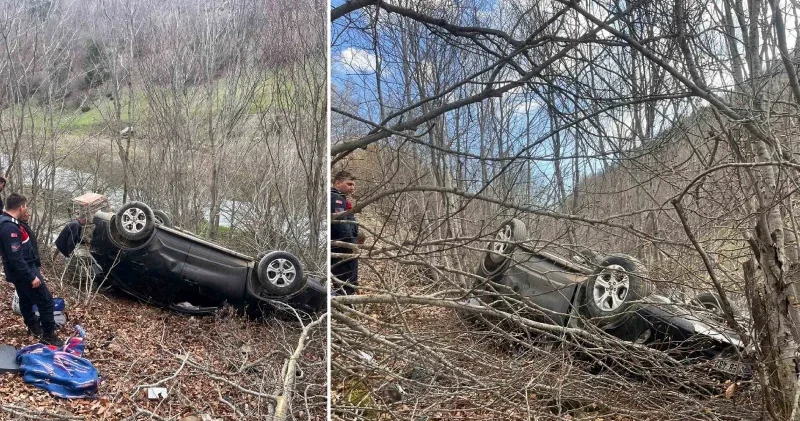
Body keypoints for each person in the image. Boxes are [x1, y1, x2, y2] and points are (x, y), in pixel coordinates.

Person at [0, 193, 62, 346]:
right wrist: (30, 276)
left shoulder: (11, 221)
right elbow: (15, 258)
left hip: (25, 269)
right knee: (46, 301)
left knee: (26, 299)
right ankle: (48, 336)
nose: (26, 209)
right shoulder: (9, 227)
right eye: (25, 207)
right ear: (21, 207)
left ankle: (33, 326)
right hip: (24, 271)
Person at [331, 170, 362, 295]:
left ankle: (349, 299)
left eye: (353, 185)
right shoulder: (335, 198)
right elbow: (340, 225)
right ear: (338, 183)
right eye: (349, 184)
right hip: (342, 247)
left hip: (346, 245)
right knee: (344, 280)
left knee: (348, 280)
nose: (352, 188)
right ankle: (345, 304)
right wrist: (350, 244)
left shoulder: (341, 199)